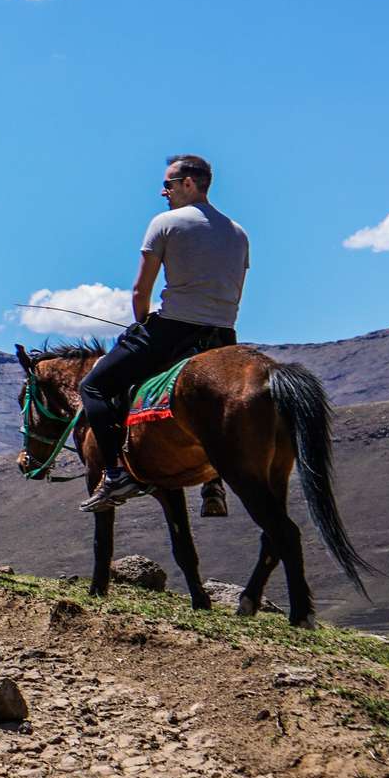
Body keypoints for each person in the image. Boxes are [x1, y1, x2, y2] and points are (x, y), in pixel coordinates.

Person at [77, 154, 248, 512]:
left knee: (93, 386)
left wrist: (141, 324)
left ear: (188, 183)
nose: (162, 192)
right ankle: (213, 483)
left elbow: (141, 290)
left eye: (168, 184)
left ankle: (115, 474)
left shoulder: (165, 223)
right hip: (223, 335)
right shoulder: (237, 232)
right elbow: (236, 291)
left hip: (173, 330)